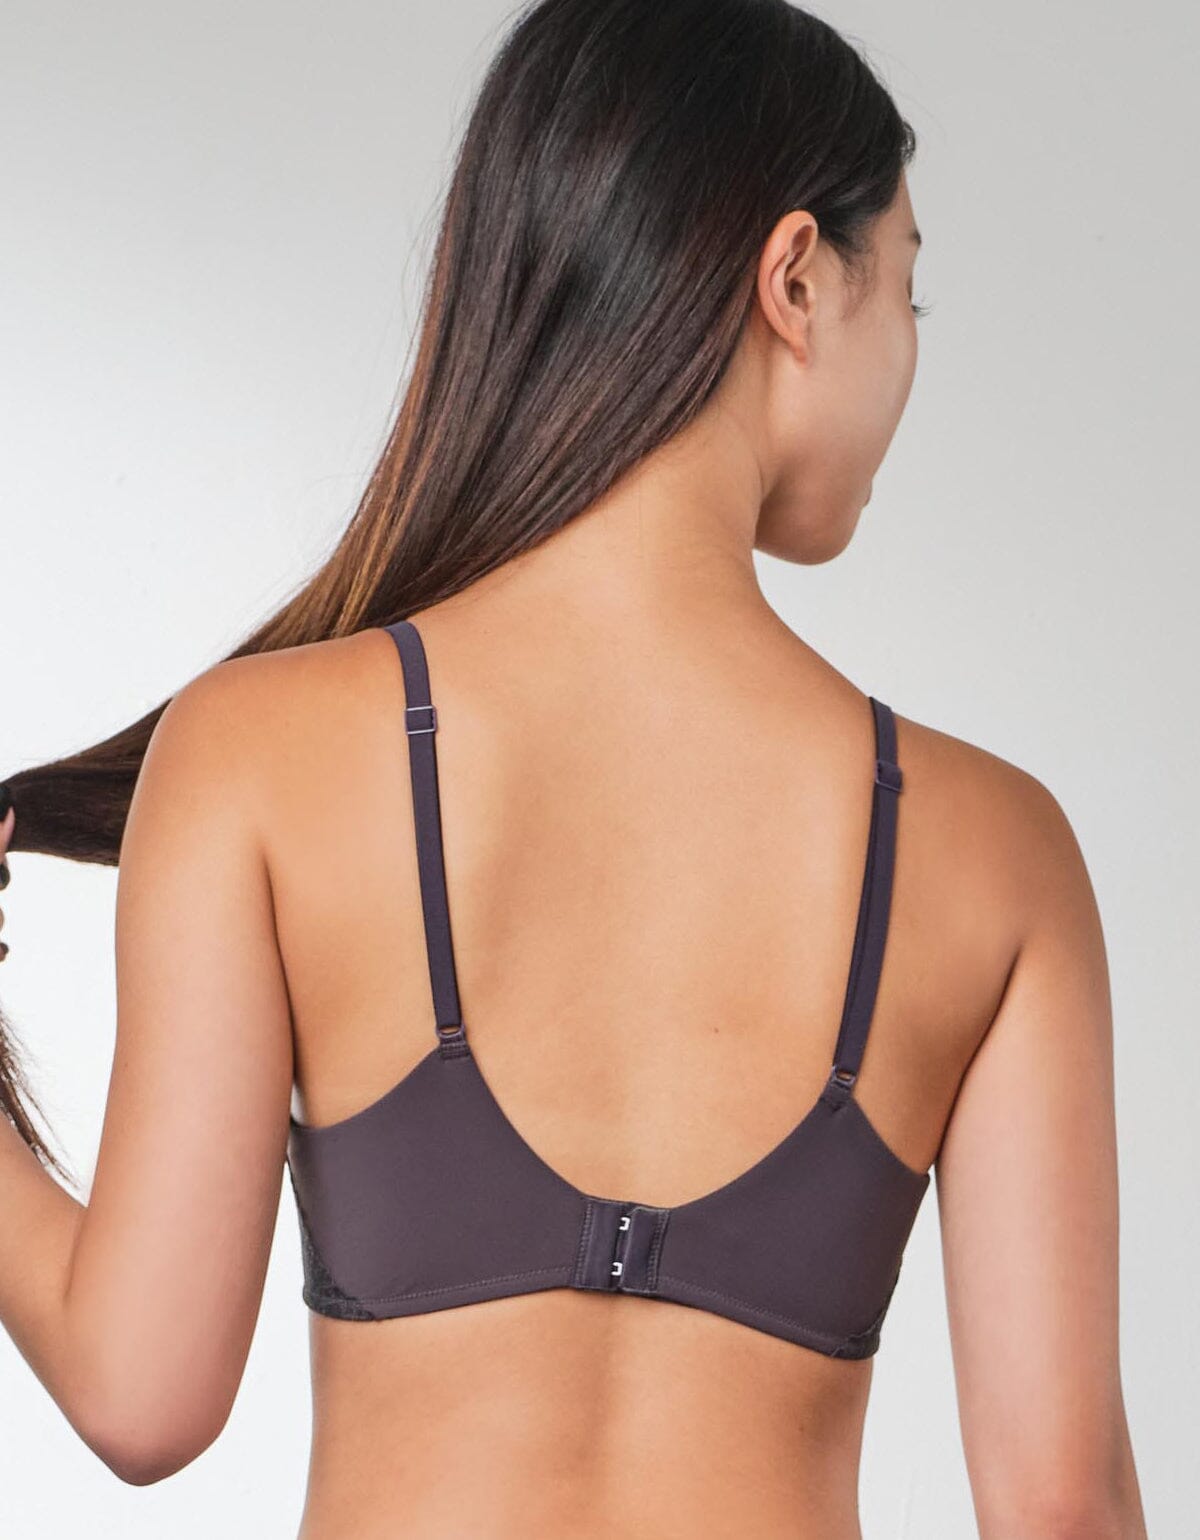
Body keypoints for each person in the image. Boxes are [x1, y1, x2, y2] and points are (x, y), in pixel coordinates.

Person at [0, 1, 1148, 1535]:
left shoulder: (258, 754)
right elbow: (1063, 1511)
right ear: (798, 280)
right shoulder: (994, 849)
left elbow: (142, 1396)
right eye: (911, 284)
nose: (914, 352)